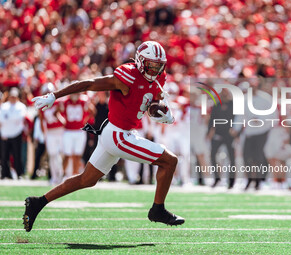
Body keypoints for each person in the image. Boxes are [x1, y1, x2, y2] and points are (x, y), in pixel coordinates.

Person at [23, 41, 185, 232]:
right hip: (119, 135)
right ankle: (158, 209)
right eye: (152, 65)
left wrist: (160, 111)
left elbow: (147, 99)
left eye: (159, 65)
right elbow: (90, 84)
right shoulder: (128, 76)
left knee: (87, 180)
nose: (155, 69)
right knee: (169, 161)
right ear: (141, 62)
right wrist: (55, 95)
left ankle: (38, 203)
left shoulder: (159, 77)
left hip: (117, 133)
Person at [0, 88, 27, 179]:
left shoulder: (21, 106)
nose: (12, 98)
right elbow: (2, 119)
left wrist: (9, 120)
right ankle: (5, 174)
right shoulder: (4, 106)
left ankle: (19, 173)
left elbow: (19, 118)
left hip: (16, 133)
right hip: (5, 134)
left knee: (17, 155)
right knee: (4, 156)